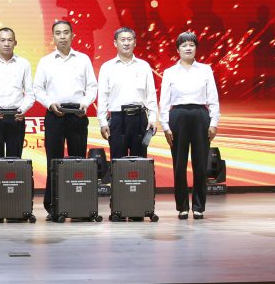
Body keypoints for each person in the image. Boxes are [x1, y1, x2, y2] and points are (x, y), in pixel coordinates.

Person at [33, 20, 97, 218]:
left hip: (77, 114)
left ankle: (79, 206)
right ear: (53, 37)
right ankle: (53, 207)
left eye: (66, 32)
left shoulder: (83, 59)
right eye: (58, 33)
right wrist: (49, 103)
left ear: (72, 35)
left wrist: (85, 104)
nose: (62, 36)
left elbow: (92, 87)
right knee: (54, 161)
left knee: (78, 162)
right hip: (55, 114)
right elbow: (37, 89)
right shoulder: (45, 61)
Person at [159, 31, 221, 220]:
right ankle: (182, 207)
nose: (188, 48)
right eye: (184, 45)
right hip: (177, 116)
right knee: (179, 165)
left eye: (192, 45)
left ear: (196, 49)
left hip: (200, 116)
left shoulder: (205, 70)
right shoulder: (169, 72)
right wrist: (166, 126)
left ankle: (199, 206)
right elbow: (164, 102)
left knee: (200, 164)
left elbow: (213, 98)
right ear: (178, 49)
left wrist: (214, 122)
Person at [98, 27, 158, 159]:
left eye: (129, 39)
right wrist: (102, 122)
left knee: (140, 161)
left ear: (135, 42)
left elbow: (151, 95)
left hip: (140, 118)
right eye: (123, 40)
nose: (126, 43)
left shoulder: (144, 66)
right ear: (115, 43)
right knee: (117, 160)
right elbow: (102, 97)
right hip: (117, 119)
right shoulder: (107, 67)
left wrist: (153, 118)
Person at [0, 27, 34, 159]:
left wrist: (22, 110)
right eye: (2, 40)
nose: (6, 44)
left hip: (16, 117)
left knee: (14, 161)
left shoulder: (24, 64)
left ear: (15, 43)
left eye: (10, 40)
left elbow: (30, 93)